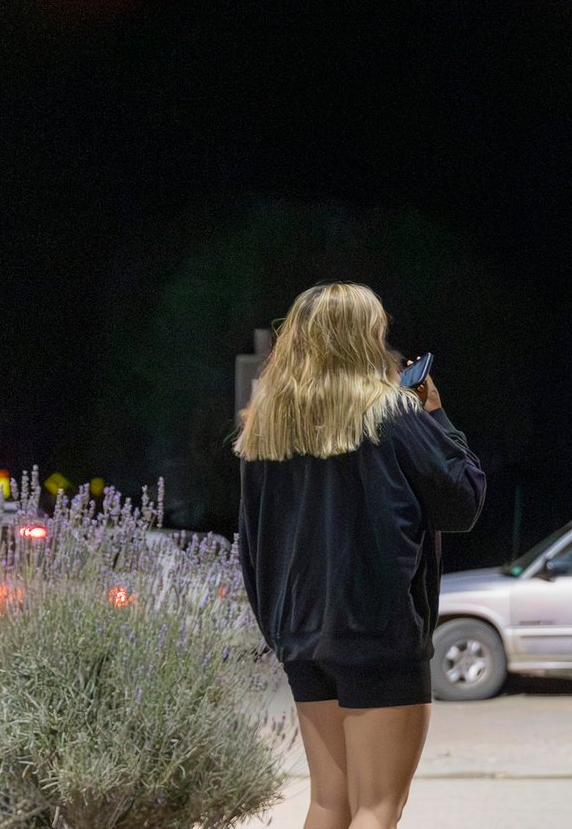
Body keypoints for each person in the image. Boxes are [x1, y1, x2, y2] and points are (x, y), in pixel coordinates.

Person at [236, 282, 487, 829]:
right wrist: (438, 417)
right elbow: (462, 501)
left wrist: (280, 628)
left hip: (302, 634)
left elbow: (250, 543)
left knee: (330, 802)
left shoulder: (268, 426)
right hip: (378, 633)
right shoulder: (394, 414)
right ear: (361, 339)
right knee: (378, 808)